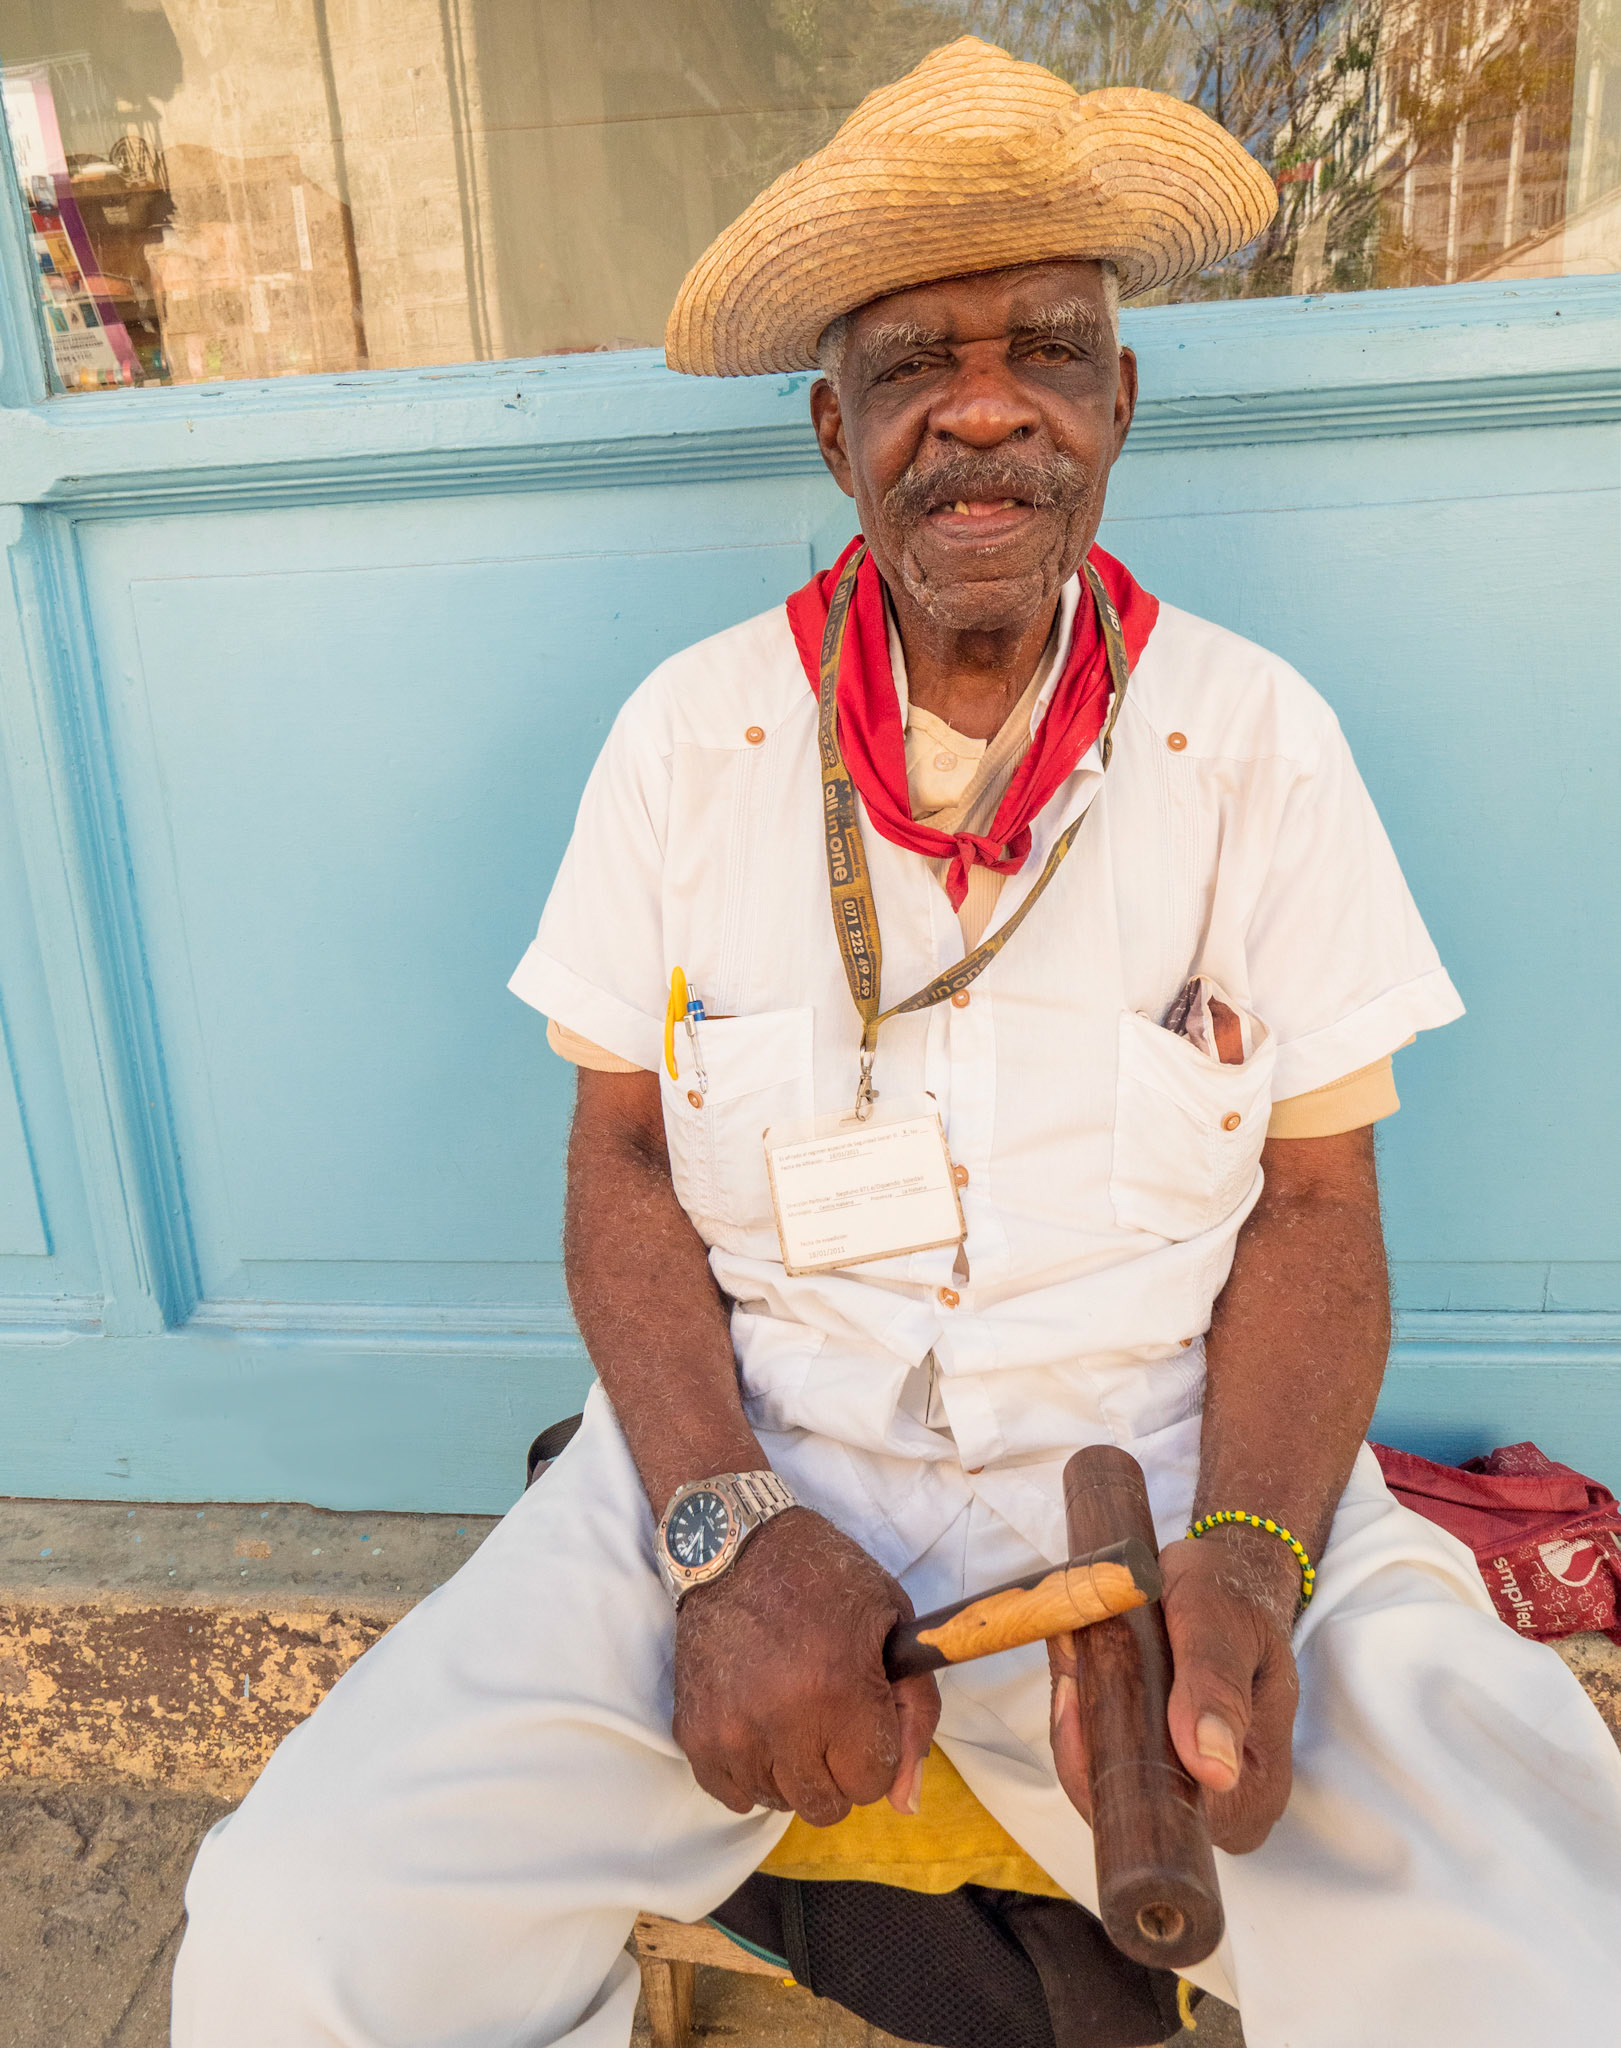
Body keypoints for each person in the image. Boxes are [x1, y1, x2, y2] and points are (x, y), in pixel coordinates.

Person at [171, 37, 1621, 2048]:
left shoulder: (1252, 742)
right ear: (831, 430)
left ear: (1118, 398)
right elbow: (620, 1169)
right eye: (911, 359)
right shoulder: (691, 741)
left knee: (1566, 1965)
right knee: (285, 1939)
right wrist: (712, 1524)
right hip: (750, 1462)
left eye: (1044, 341)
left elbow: (1310, 1202)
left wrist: (1262, 1556)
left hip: (1171, 1483)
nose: (981, 401)